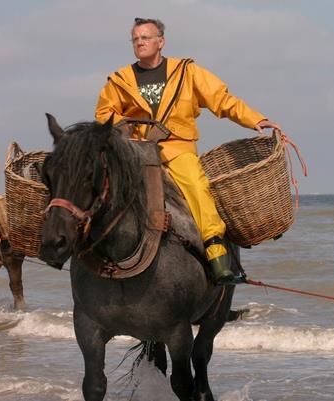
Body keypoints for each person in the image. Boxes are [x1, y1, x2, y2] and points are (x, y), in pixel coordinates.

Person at [95, 17, 281, 285]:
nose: (140, 43)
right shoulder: (120, 79)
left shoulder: (186, 71)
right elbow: (104, 113)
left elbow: (221, 99)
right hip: (136, 151)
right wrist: (124, 128)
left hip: (176, 148)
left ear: (161, 41)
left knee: (197, 189)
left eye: (145, 37)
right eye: (135, 39)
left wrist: (254, 119)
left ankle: (218, 260)